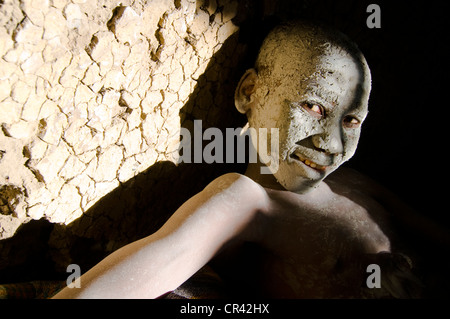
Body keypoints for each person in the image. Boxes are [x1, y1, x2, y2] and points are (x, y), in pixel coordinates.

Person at [53, 21, 420, 299]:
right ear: (250, 92)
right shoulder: (247, 201)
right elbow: (143, 269)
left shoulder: (355, 184)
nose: (332, 144)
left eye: (351, 120)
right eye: (313, 105)